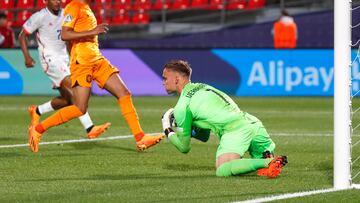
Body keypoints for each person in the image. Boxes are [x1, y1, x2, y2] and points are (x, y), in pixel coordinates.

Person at [28, 0, 164, 153]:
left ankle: (140, 138)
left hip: (97, 60)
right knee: (79, 108)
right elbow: (65, 34)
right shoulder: (74, 6)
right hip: (83, 63)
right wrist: (91, 33)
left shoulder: (86, 7)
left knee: (124, 93)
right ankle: (38, 129)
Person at [161, 60, 287, 178]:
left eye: (165, 78)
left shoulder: (182, 106)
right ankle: (266, 159)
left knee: (222, 169)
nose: (163, 82)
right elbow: (204, 136)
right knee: (262, 172)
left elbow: (184, 147)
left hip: (235, 130)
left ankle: (267, 161)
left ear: (176, 79)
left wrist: (168, 129)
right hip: (253, 123)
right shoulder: (202, 86)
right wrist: (189, 130)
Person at [19, 0, 110, 141]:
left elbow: (68, 38)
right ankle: (90, 128)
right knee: (75, 93)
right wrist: (27, 57)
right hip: (50, 58)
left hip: (64, 58)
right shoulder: (40, 16)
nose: (57, 2)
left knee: (68, 100)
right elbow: (22, 35)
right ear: (45, 1)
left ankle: (37, 110)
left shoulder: (66, 14)